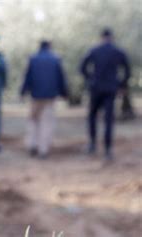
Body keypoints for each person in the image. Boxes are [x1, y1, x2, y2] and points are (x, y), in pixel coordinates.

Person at [80, 28, 131, 162]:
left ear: (101, 37)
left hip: (96, 88)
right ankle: (108, 149)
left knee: (92, 116)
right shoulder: (118, 51)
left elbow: (82, 67)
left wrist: (90, 79)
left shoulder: (94, 50)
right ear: (112, 37)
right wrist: (121, 84)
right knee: (108, 119)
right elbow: (127, 70)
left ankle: (92, 144)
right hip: (111, 89)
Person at [21, 40, 68, 159]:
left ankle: (32, 144)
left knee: (33, 120)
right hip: (50, 97)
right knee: (46, 122)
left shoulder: (33, 59)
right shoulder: (55, 59)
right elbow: (61, 78)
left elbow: (27, 77)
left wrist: (23, 91)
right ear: (49, 47)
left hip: (35, 96)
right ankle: (43, 149)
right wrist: (64, 93)